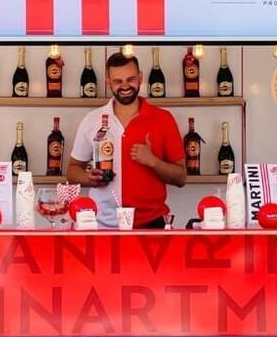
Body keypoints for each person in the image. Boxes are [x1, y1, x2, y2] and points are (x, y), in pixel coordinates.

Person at [67, 52, 187, 228]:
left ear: (140, 78)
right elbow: (72, 171)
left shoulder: (164, 119)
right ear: (108, 83)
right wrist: (88, 178)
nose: (125, 86)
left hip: (151, 223)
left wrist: (153, 161)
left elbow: (181, 177)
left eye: (130, 79)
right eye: (118, 81)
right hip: (101, 223)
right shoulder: (92, 120)